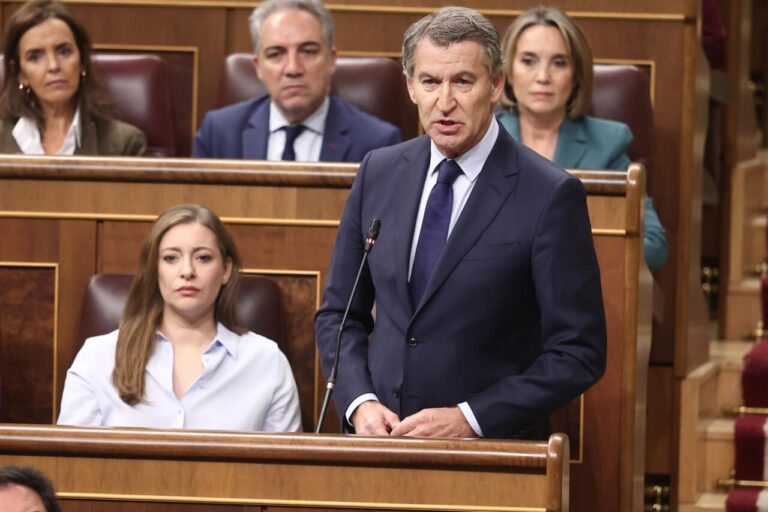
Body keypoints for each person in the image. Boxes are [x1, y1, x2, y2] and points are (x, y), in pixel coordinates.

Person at [315, 6, 606, 439]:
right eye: (430, 82)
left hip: (490, 455)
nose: (444, 102)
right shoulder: (379, 170)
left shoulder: (550, 194)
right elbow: (340, 314)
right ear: (411, 86)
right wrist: (360, 402)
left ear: (495, 85)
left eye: (463, 82)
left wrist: (471, 418)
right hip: (381, 444)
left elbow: (577, 352)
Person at [58, 204, 301, 432]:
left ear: (226, 270)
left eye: (203, 257)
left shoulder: (266, 362)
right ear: (155, 269)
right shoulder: (98, 358)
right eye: (171, 258)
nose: (187, 271)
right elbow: (70, 466)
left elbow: (285, 474)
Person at [496, 5, 669, 271]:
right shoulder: (483, 140)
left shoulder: (607, 143)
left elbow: (654, 245)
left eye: (559, 63)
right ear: (506, 72)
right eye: (528, 61)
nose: (543, 77)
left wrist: (566, 253)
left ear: (576, 75)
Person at [193, 0, 401, 161]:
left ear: (331, 60)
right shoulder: (218, 133)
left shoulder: (378, 144)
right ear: (258, 68)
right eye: (276, 54)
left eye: (308, 51)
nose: (293, 68)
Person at [0, 0, 146, 156]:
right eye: (35, 57)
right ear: (20, 73)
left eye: (64, 52)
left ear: (82, 61)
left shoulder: (124, 143)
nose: (53, 66)